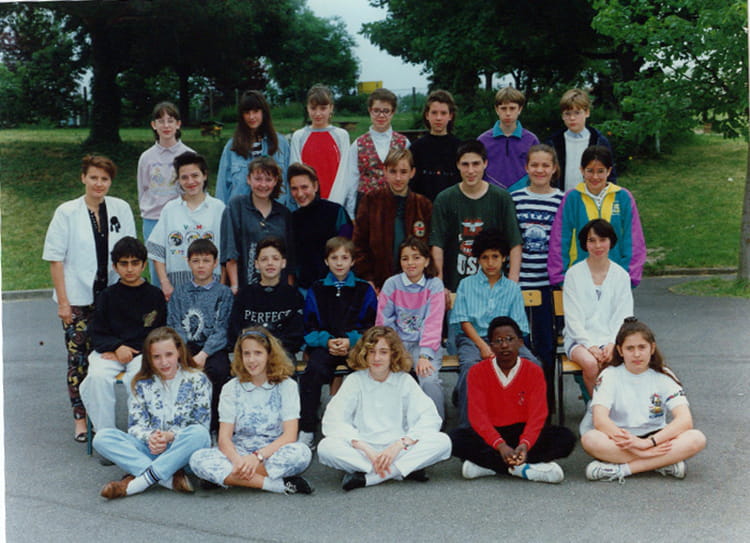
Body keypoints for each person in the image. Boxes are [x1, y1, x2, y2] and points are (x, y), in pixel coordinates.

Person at [42, 155, 136, 442]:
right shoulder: (66, 212)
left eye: (104, 179)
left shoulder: (120, 208)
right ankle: (81, 419)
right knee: (79, 360)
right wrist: (64, 303)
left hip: (112, 299)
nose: (99, 183)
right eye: (93, 177)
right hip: (78, 300)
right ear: (83, 177)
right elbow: (55, 259)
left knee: (105, 359)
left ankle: (104, 416)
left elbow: (129, 251)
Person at [317, 326, 452, 491]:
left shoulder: (404, 380)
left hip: (399, 449)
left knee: (443, 441)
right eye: (371, 352)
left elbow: (429, 418)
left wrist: (399, 445)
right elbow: (333, 420)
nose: (376, 358)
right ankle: (403, 470)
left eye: (383, 352)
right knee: (326, 447)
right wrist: (366, 449)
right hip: (364, 451)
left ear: (393, 354)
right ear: (364, 354)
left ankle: (368, 478)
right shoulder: (355, 380)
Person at [449, 317, 576, 483]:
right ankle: (523, 468)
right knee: (454, 439)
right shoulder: (476, 372)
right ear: (491, 346)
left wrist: (525, 445)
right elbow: (478, 417)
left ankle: (489, 466)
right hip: (492, 435)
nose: (504, 345)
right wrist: (500, 446)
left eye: (510, 339)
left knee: (566, 438)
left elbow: (538, 415)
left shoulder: (534, 370)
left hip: (522, 433)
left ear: (520, 343)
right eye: (498, 341)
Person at [189, 328, 314, 495]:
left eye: (258, 353)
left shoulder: (287, 386)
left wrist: (257, 457)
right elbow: (224, 438)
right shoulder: (230, 388)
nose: (251, 360)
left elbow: (289, 435)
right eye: (246, 354)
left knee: (301, 454)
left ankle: (229, 477)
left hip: (273, 451)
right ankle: (276, 485)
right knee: (197, 459)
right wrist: (238, 461)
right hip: (238, 452)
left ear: (269, 355)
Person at [580, 318, 706, 482]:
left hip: (656, 438)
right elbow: (600, 420)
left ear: (652, 348)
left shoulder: (664, 375)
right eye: (630, 348)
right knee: (590, 439)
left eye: (642, 347)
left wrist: (648, 444)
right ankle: (662, 462)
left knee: (696, 438)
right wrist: (635, 447)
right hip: (620, 439)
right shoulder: (609, 375)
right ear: (620, 350)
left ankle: (622, 469)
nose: (637, 354)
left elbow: (685, 420)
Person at [93, 327, 211, 499]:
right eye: (156, 357)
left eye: (169, 355)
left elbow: (202, 424)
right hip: (151, 448)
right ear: (149, 358)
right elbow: (135, 426)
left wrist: (170, 436)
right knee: (102, 437)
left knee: (200, 434)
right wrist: (152, 437)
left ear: (179, 352)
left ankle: (139, 482)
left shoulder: (198, 379)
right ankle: (168, 479)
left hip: (183, 450)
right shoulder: (141, 383)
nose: (164, 362)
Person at [450, 228, 538, 425]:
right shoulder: (466, 285)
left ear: (504, 258)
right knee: (471, 369)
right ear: (477, 259)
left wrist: (501, 346)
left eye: (495, 257)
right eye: (485, 257)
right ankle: (468, 429)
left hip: (506, 340)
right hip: (473, 339)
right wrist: (483, 346)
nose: (490, 263)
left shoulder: (512, 288)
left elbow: (517, 327)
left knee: (532, 365)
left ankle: (526, 424)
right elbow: (464, 321)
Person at [80, 236, 167, 432]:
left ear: (144, 265)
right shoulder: (106, 296)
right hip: (110, 351)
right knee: (97, 377)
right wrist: (116, 347)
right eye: (124, 264)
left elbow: (159, 332)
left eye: (135, 263)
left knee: (138, 377)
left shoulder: (155, 295)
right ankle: (105, 434)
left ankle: (140, 432)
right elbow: (97, 330)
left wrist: (134, 350)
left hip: (143, 352)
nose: (129, 269)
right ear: (115, 266)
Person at [298, 237, 377, 447]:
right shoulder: (316, 289)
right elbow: (309, 326)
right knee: (312, 373)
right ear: (326, 261)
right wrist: (326, 341)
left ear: (352, 261)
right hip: (325, 346)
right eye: (334, 258)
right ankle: (307, 427)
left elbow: (371, 326)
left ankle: (365, 426)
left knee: (367, 372)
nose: (339, 263)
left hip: (356, 346)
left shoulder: (364, 289)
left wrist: (352, 340)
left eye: (344, 258)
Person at [430, 140, 523, 298]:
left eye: (476, 164)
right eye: (465, 164)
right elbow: (437, 245)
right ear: (457, 165)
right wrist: (438, 284)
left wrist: (512, 283)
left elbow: (514, 243)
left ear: (485, 164)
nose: (471, 170)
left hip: (495, 289)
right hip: (456, 287)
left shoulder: (501, 198)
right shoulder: (445, 199)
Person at [511, 144, 564, 408]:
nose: (540, 170)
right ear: (526, 168)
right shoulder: (516, 199)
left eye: (545, 165)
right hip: (521, 284)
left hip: (548, 286)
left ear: (554, 169)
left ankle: (546, 404)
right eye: (535, 165)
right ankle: (521, 403)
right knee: (522, 346)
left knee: (546, 346)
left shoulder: (562, 200)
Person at [548, 145, 646, 287]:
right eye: (590, 171)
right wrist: (560, 277)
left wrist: (629, 277)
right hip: (578, 280)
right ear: (582, 170)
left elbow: (634, 240)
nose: (595, 177)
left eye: (600, 171)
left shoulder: (623, 197)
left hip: (615, 279)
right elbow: (559, 239)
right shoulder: (572, 198)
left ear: (609, 171)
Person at [167, 239, 233, 433]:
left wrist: (204, 354)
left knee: (219, 371)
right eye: (196, 261)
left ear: (215, 263)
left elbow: (222, 328)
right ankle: (182, 425)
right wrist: (185, 354)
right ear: (188, 262)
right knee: (177, 372)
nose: (201, 266)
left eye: (206, 261)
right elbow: (174, 324)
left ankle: (214, 427)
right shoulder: (180, 292)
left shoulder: (223, 293)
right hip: (185, 347)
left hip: (213, 348)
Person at [563, 219, 634, 395]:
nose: (597, 245)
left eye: (603, 240)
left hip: (612, 339)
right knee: (591, 364)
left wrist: (612, 343)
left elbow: (624, 315)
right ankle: (595, 406)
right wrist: (589, 345)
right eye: (592, 240)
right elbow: (572, 319)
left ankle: (615, 408)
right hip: (579, 339)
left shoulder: (621, 276)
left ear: (611, 241)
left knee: (616, 362)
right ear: (585, 243)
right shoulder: (573, 274)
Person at [376, 237, 446, 418]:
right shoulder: (392, 284)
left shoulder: (434, 285)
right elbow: (384, 321)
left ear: (427, 261)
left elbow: (434, 322)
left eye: (416, 257)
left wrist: (425, 355)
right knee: (389, 378)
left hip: (425, 345)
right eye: (405, 258)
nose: (410, 263)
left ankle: (436, 423)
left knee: (428, 378)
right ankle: (392, 424)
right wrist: (392, 349)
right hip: (397, 344)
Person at [147, 151, 225, 301]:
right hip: (176, 288)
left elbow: (226, 254)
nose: (190, 181)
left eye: (195, 175)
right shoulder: (170, 209)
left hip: (212, 287)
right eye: (184, 177)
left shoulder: (218, 208)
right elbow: (157, 250)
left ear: (204, 175)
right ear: (178, 180)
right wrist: (165, 283)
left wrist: (222, 286)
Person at [353, 148, 432, 291]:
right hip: (379, 284)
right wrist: (367, 279)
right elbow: (359, 244)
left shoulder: (423, 205)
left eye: (403, 172)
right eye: (393, 171)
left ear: (412, 173)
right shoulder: (371, 201)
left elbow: (430, 247)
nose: (398, 178)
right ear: (385, 172)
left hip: (415, 285)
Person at [137, 102, 194, 287]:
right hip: (153, 220)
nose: (166, 125)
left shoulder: (189, 155)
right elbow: (143, 189)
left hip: (181, 219)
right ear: (154, 125)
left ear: (178, 124)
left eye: (170, 120)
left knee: (184, 265)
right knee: (157, 269)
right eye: (161, 121)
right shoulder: (146, 157)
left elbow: (196, 191)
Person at [329, 88, 409, 218]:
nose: (381, 115)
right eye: (376, 110)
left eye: (386, 111)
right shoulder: (358, 144)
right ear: (370, 111)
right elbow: (352, 180)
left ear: (393, 112)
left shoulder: (404, 143)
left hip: (397, 204)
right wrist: (351, 213)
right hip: (366, 206)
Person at [221, 156, 295, 292]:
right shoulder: (236, 206)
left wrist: (289, 291)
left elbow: (289, 257)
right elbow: (230, 251)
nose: (263, 185)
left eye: (268, 179)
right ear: (248, 179)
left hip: (278, 288)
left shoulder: (284, 213)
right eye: (258, 179)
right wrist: (235, 287)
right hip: (245, 287)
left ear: (275, 181)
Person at [228, 236, 305, 358]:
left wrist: (271, 349)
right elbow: (235, 332)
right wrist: (256, 350)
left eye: (275, 258)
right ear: (256, 264)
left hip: (282, 355)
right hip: (251, 355)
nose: (270, 263)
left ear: (283, 263)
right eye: (264, 259)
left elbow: (296, 336)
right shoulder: (244, 295)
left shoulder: (293, 296)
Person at [215, 90, 291, 208]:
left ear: (264, 112)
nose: (251, 117)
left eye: (256, 111)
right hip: (240, 213)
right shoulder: (232, 147)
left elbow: (289, 183)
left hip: (274, 213)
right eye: (247, 112)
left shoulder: (281, 144)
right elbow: (222, 187)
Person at [288, 162, 352, 293]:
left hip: (335, 287)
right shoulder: (292, 219)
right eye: (294, 188)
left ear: (315, 186)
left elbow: (347, 250)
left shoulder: (336, 212)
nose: (300, 193)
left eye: (304, 187)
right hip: (304, 290)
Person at [546, 88, 617, 192]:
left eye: (577, 113)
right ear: (562, 115)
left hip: (592, 197)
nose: (572, 118)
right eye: (567, 114)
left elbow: (610, 175)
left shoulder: (599, 141)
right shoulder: (553, 142)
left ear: (587, 112)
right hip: (562, 197)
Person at [289, 84, 351, 199]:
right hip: (307, 201)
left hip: (335, 201)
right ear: (307, 108)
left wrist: (335, 201)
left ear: (331, 108)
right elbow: (296, 171)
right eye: (313, 108)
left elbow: (345, 172)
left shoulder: (341, 136)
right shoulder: (299, 136)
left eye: (323, 108)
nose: (318, 114)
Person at [477, 86, 539, 192]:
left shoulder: (531, 140)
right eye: (503, 108)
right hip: (491, 194)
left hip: (523, 194)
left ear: (520, 109)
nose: (508, 113)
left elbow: (537, 169)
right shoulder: (483, 140)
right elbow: (477, 170)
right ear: (497, 109)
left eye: (512, 108)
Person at [409, 89, 461, 202]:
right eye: (434, 113)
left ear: (450, 116)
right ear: (427, 115)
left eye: (443, 113)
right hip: (423, 207)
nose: (438, 118)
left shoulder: (460, 148)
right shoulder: (416, 148)